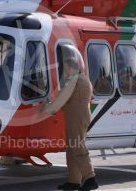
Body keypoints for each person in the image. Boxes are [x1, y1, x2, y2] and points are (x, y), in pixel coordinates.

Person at [43, 54, 98, 191]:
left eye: (65, 68)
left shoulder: (74, 80)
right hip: (79, 115)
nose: (64, 70)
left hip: (76, 117)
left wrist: (48, 108)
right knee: (72, 146)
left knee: (77, 146)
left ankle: (90, 178)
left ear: (69, 67)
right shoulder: (84, 79)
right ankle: (74, 180)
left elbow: (62, 98)